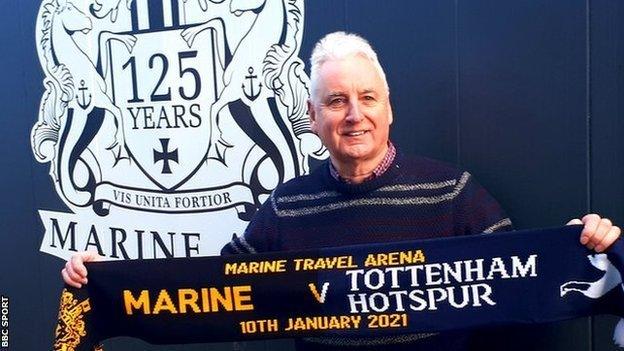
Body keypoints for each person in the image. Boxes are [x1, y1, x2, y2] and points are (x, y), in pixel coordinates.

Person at [62, 32, 621, 350]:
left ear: (388, 107)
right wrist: (107, 278)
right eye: (336, 101)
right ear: (312, 116)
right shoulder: (286, 207)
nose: (354, 115)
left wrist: (585, 244)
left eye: (367, 98)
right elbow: (208, 289)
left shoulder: (454, 192)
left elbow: (520, 277)